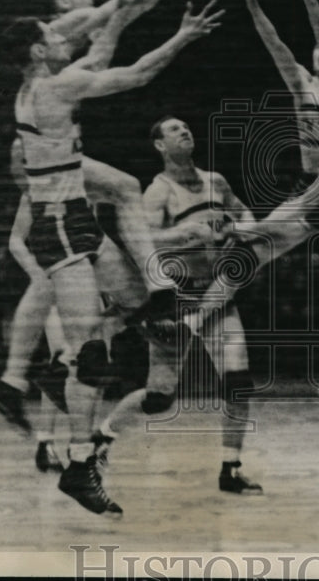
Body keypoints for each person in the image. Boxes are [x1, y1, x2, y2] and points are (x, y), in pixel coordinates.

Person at [0, 0, 232, 430]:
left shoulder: (60, 51)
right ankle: (21, 377)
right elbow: (124, 16)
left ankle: (45, 380)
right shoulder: (58, 34)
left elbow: (122, 17)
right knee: (49, 259)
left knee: (114, 197)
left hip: (51, 148)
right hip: (39, 152)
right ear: (59, 6)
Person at [10, 0, 223, 516]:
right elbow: (136, 73)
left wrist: (130, 4)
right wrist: (181, 36)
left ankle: (141, 306)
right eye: (54, 34)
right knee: (89, 354)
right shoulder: (51, 89)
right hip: (59, 226)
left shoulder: (47, 80)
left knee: (124, 313)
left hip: (78, 218)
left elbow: (100, 47)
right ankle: (77, 455)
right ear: (40, 49)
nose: (67, 37)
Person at [189, 0, 319, 399]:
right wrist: (251, 0)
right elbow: (276, 45)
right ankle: (191, 322)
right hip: (310, 190)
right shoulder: (302, 87)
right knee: (252, 256)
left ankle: (238, 228)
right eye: (316, 51)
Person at [91, 115, 263, 495]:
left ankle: (230, 468)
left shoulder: (216, 181)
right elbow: (143, 239)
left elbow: (246, 214)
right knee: (159, 399)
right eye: (174, 130)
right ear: (159, 146)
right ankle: (102, 436)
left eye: (187, 126)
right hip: (178, 299)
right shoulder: (158, 190)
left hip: (217, 294)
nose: (185, 130)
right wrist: (186, 235)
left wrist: (240, 230)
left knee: (238, 381)